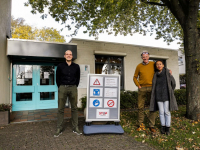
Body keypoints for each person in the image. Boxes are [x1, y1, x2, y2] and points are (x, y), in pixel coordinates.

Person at [54, 50, 81, 137]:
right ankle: (59, 128)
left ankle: (75, 127)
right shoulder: (60, 66)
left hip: (73, 87)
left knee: (74, 108)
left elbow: (78, 78)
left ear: (72, 56)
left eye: (70, 54)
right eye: (67, 54)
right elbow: (57, 78)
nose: (68, 56)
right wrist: (60, 86)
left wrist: (74, 86)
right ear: (64, 56)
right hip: (62, 87)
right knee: (61, 109)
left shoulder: (76, 66)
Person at [149, 60, 178, 135]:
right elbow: (154, 85)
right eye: (157, 64)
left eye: (160, 64)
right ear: (156, 66)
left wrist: (170, 91)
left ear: (163, 65)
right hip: (158, 96)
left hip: (166, 95)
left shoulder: (167, 73)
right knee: (161, 112)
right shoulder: (155, 75)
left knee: (167, 112)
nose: (159, 65)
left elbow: (173, 83)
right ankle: (163, 126)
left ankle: (167, 128)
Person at [133, 50, 157, 133]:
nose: (145, 58)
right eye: (143, 56)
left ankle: (151, 125)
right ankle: (140, 124)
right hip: (142, 88)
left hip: (152, 88)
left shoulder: (153, 64)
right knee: (140, 107)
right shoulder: (139, 66)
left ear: (149, 57)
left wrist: (168, 71)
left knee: (152, 106)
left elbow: (160, 69)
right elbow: (135, 77)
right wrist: (138, 85)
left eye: (146, 56)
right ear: (142, 57)